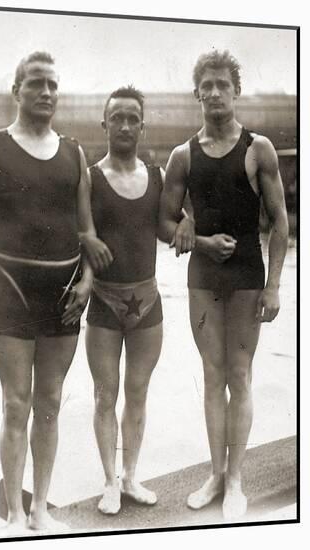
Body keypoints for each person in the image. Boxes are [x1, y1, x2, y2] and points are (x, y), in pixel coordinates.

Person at [0, 51, 111, 533]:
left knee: (49, 402)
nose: (46, 92)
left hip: (64, 292)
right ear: (17, 91)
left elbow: (87, 230)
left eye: (52, 84)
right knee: (15, 404)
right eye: (36, 84)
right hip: (11, 288)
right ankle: (15, 513)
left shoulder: (73, 153)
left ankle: (42, 506)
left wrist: (88, 281)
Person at [159, 50, 288, 520]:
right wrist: (190, 233)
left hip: (248, 277)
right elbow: (163, 221)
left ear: (236, 91)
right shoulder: (181, 155)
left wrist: (275, 285)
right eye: (206, 85)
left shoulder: (259, 149)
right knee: (213, 377)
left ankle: (236, 480)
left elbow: (279, 224)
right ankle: (216, 474)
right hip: (204, 280)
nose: (214, 92)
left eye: (222, 84)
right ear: (196, 93)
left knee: (240, 375)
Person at [83, 86, 191, 515]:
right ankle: (109, 482)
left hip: (148, 301)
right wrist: (85, 243)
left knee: (139, 392)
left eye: (133, 118)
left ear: (143, 127)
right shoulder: (89, 177)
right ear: (104, 123)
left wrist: (189, 222)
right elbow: (77, 231)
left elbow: (171, 223)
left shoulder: (158, 176)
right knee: (104, 395)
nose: (125, 125)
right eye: (117, 117)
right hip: (105, 303)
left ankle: (131, 476)